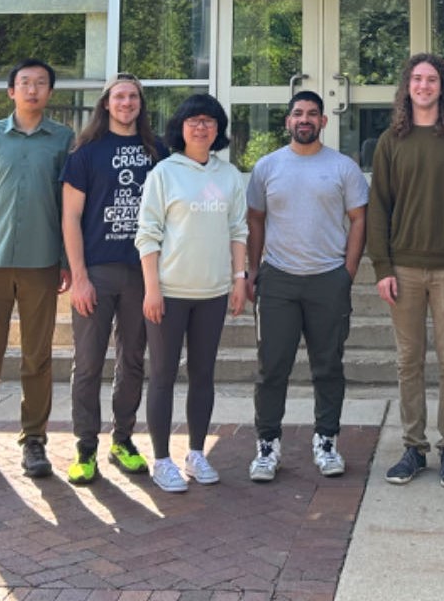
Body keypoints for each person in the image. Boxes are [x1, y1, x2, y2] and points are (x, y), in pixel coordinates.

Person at [369, 52, 444, 487]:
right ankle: (413, 448)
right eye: (417, 79)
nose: (424, 86)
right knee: (409, 362)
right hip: (402, 268)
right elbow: (378, 209)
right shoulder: (391, 141)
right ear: (408, 87)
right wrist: (382, 266)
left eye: (432, 79)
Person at [0, 59, 75, 486]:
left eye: (41, 83)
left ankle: (34, 440)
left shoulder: (62, 139)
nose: (32, 90)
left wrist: (65, 259)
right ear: (11, 91)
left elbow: (68, 207)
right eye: (24, 83)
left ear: (49, 92)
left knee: (37, 358)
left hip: (42, 263)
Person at [243, 91, 369, 482]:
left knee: (328, 366)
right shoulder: (267, 167)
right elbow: (255, 221)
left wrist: (346, 273)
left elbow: (359, 220)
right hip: (278, 280)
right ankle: (267, 446)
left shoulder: (343, 167)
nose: (305, 120)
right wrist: (253, 271)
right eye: (298, 113)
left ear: (323, 122)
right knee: (271, 368)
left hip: (327, 280)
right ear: (287, 121)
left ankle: (327, 440)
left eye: (312, 114)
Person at [134, 93, 250, 493]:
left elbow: (239, 231)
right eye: (193, 121)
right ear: (180, 128)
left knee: (203, 375)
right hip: (169, 291)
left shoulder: (230, 176)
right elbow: (147, 235)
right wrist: (152, 289)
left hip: (213, 292)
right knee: (163, 375)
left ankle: (197, 453)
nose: (201, 127)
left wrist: (239, 279)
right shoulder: (164, 174)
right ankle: (162, 459)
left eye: (209, 121)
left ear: (218, 129)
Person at [60, 73, 163, 485]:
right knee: (87, 364)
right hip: (97, 272)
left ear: (141, 103)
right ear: (106, 104)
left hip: (142, 272)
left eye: (133, 96)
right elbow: (70, 217)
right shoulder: (86, 154)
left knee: (133, 361)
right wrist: (80, 277)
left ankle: (123, 440)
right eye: (119, 96)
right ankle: (85, 448)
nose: (126, 102)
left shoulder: (158, 152)